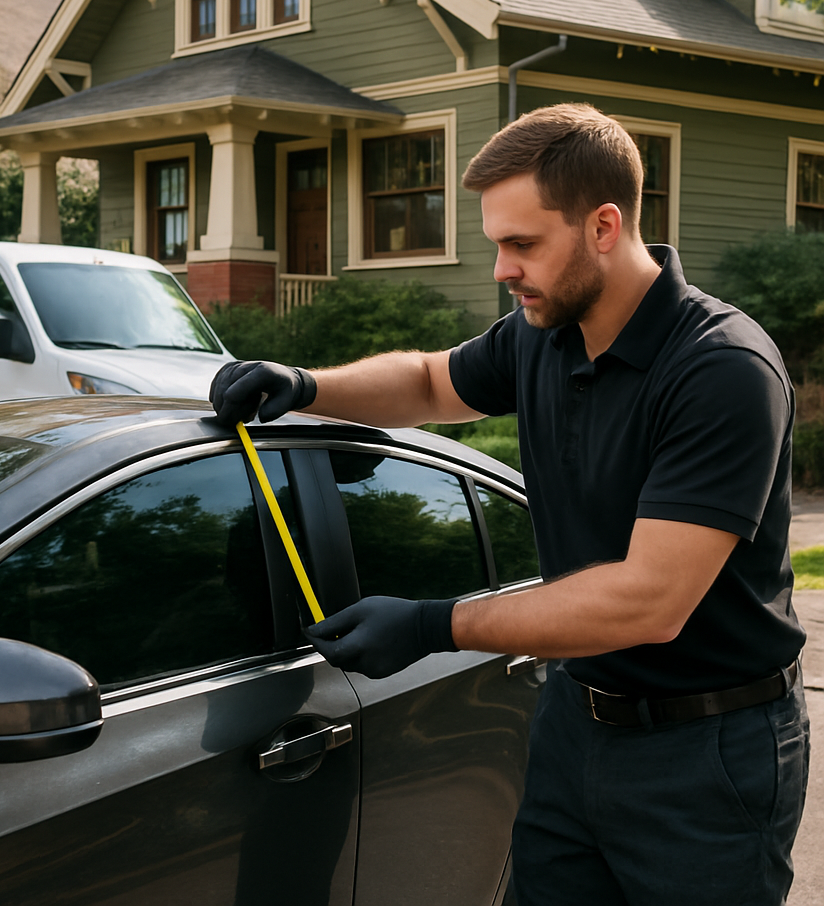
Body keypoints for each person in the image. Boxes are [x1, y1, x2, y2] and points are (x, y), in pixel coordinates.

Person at [209, 104, 809, 906]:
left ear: (603, 226)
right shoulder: (542, 329)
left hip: (708, 751)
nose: (502, 269)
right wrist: (307, 388)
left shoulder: (721, 370)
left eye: (522, 244)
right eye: (497, 243)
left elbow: (650, 600)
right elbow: (429, 382)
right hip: (574, 723)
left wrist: (432, 625)